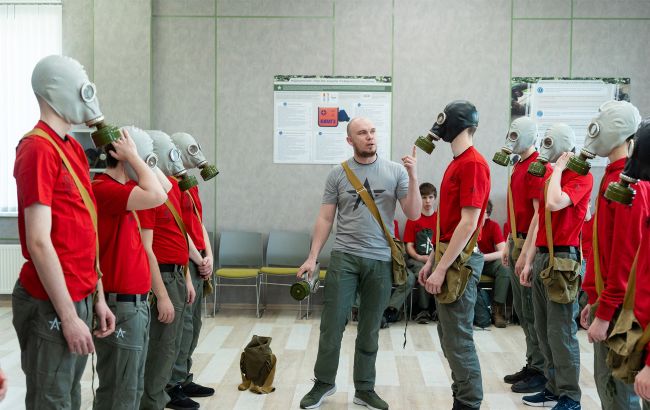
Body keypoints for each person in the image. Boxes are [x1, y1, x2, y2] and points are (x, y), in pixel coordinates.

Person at [12, 55, 115, 410]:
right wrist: (69, 317)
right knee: (51, 401)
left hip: (79, 295)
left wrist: (97, 296)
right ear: (55, 91)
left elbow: (85, 229)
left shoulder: (72, 148)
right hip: (50, 304)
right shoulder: (37, 149)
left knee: (69, 398)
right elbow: (39, 242)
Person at [296, 117, 421, 410]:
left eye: (372, 132)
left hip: (380, 259)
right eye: (362, 133)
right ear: (350, 140)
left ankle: (364, 388)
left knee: (370, 327)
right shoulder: (337, 174)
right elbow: (325, 217)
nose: (370, 137)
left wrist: (414, 176)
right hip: (344, 257)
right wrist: (313, 256)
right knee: (332, 324)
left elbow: (414, 213)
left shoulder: (396, 171)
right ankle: (324, 383)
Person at [419, 100, 490, 410]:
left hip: (459, 261)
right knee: (449, 336)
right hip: (448, 255)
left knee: (458, 339)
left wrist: (440, 269)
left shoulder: (473, 164)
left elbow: (469, 223)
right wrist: (432, 260)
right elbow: (447, 223)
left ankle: (468, 402)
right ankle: (462, 395)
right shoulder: (457, 162)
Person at [91, 126, 169, 409]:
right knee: (119, 390)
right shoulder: (104, 189)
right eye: (141, 157)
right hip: (120, 305)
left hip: (134, 304)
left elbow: (166, 188)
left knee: (132, 387)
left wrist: (139, 159)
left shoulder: (125, 191)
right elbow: (159, 195)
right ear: (122, 156)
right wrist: (134, 157)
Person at [520, 123, 593, 410]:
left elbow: (553, 203)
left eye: (550, 143)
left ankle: (570, 396)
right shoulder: (552, 175)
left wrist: (559, 169)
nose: (544, 148)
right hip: (544, 256)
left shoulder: (582, 176)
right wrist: (529, 260)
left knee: (561, 332)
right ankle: (552, 388)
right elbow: (540, 220)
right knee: (543, 330)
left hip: (564, 260)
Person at [578, 101, 646, 410]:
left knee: (619, 393)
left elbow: (626, 257)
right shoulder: (612, 177)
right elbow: (601, 248)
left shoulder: (630, 185)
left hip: (620, 311)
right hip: (607, 303)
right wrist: (594, 299)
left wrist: (605, 312)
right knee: (608, 389)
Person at [139, 131, 198, 410]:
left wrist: (187, 277)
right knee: (161, 344)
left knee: (172, 342)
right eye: (170, 149)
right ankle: (153, 399)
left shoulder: (171, 187)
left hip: (177, 272)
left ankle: (163, 393)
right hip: (162, 274)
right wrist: (161, 294)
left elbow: (181, 234)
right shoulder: (147, 194)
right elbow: (146, 247)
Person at [493, 117, 548, 393]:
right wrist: (508, 242)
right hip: (517, 240)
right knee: (522, 310)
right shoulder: (518, 166)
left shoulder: (537, 167)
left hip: (529, 244)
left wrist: (526, 254)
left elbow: (539, 214)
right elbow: (518, 211)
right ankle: (532, 361)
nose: (511, 139)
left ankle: (541, 369)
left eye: (515, 134)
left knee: (531, 310)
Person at [169, 132, 216, 399]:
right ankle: (173, 383)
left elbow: (198, 222)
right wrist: (198, 259)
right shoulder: (169, 185)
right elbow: (178, 228)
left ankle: (184, 377)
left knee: (194, 325)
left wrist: (209, 255)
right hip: (186, 259)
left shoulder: (189, 183)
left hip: (199, 258)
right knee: (183, 326)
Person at [403, 182, 437, 324]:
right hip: (416, 259)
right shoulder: (413, 219)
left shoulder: (440, 219)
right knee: (423, 271)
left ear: (435, 198)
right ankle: (423, 309)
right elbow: (409, 246)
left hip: (436, 258)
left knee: (441, 271)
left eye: (430, 197)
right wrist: (419, 257)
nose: (427, 201)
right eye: (424, 197)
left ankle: (438, 309)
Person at [477, 199, 510, 328]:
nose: (480, 215)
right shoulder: (466, 224)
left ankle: (498, 310)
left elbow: (502, 252)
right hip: (468, 263)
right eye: (477, 211)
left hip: (486, 263)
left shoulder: (493, 226)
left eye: (483, 212)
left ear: (488, 214)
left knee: (504, 267)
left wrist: (482, 258)